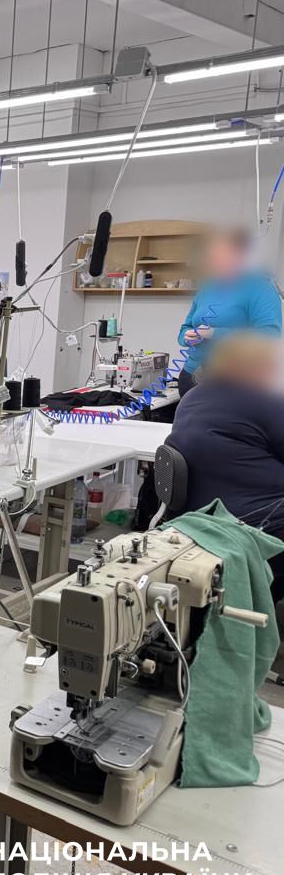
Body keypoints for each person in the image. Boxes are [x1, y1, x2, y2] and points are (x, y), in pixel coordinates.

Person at [165, 331, 284, 604]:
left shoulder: (192, 398)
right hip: (259, 526)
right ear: (255, 367)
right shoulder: (263, 403)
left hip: (201, 520)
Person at [175, 226, 282, 395]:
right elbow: (186, 327)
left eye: (221, 256)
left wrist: (214, 333)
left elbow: (268, 338)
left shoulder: (261, 289)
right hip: (192, 375)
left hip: (233, 380)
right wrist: (186, 336)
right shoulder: (208, 288)